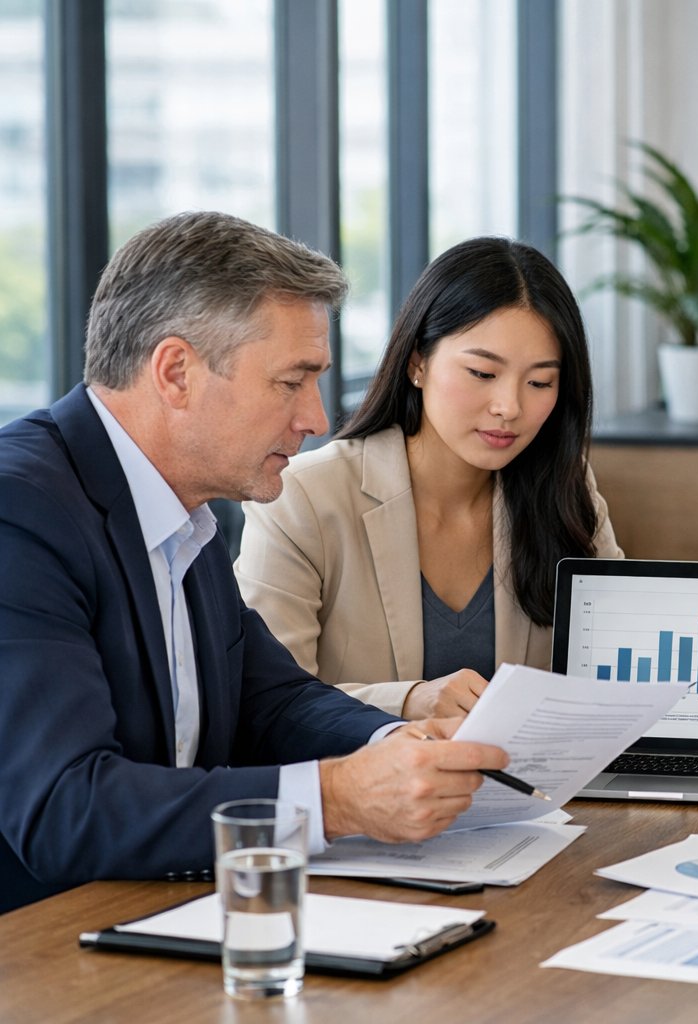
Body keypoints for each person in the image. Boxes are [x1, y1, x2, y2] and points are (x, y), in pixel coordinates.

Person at [0, 212, 511, 914]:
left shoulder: (185, 508)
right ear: (176, 373)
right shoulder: (20, 513)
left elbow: (270, 699)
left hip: (168, 910)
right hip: (44, 942)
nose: (317, 419)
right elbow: (65, 808)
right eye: (291, 382)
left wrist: (400, 742)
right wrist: (335, 799)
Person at [235, 238, 622, 719]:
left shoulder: (564, 488)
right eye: (483, 373)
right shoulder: (305, 498)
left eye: (540, 382)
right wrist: (409, 700)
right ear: (418, 362)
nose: (510, 407)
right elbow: (267, 704)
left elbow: (612, 667)